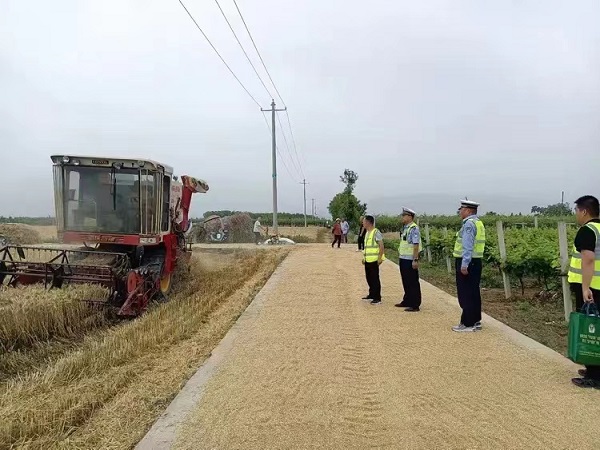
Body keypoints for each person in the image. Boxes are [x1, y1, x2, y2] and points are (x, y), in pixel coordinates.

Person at [567, 195, 600, 389]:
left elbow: (588, 259)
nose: (576, 214)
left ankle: (594, 375)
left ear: (584, 211)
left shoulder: (587, 231)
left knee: (591, 329)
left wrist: (585, 287)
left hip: (592, 288)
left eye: (577, 211)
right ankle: (593, 368)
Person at [452, 200, 486, 332]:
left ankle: (467, 323)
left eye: (461, 209)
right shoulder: (478, 222)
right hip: (476, 261)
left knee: (466, 293)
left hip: (467, 261)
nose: (460, 211)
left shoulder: (469, 224)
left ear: (468, 211)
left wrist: (464, 264)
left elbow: (467, 246)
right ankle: (475, 320)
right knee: (473, 292)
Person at [395, 207, 422, 312]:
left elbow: (416, 245)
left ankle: (415, 304)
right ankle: (407, 300)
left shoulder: (414, 228)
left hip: (410, 259)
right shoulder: (406, 228)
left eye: (404, 215)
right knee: (406, 281)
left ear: (410, 217)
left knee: (412, 282)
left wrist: (415, 260)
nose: (402, 217)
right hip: (403, 258)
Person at [362, 215, 385, 305]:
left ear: (368, 222)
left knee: (375, 279)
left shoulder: (376, 232)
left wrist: (380, 257)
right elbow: (367, 247)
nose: (362, 223)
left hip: (374, 260)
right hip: (368, 260)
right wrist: (364, 258)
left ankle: (377, 297)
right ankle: (371, 294)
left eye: (364, 222)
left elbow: (381, 245)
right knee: (369, 278)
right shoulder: (367, 232)